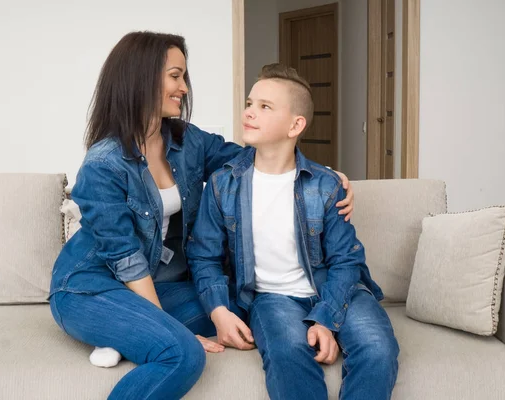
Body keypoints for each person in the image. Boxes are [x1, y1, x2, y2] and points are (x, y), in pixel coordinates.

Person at [48, 32, 354, 399]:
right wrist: (166, 328)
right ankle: (137, 333)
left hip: (159, 284)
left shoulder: (187, 141)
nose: (184, 88)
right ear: (142, 77)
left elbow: (254, 160)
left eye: (184, 77)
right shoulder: (104, 164)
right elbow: (126, 261)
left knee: (238, 302)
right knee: (182, 353)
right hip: (89, 286)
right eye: (175, 76)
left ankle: (125, 337)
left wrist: (325, 177)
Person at [187, 64, 399, 400]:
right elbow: (203, 255)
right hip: (271, 297)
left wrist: (327, 318)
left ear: (295, 125)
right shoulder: (222, 184)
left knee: (377, 350)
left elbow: (346, 260)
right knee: (287, 355)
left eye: (265, 107)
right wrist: (219, 310)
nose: (249, 112)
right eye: (250, 103)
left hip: (337, 288)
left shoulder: (326, 185)